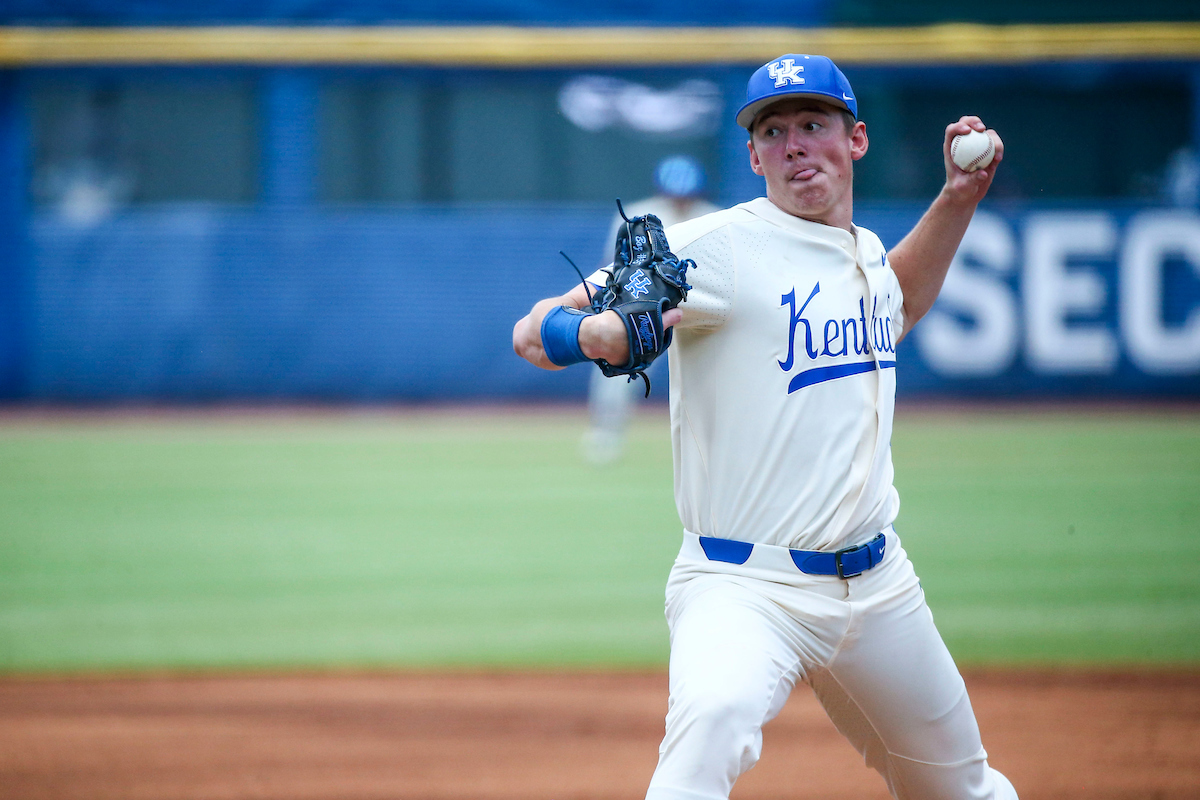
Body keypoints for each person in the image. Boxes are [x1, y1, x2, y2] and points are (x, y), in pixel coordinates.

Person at [513, 54, 1016, 800]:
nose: (794, 145)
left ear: (857, 140)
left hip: (880, 588)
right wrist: (593, 337)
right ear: (752, 156)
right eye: (773, 132)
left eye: (814, 124)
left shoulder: (866, 251)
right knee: (709, 728)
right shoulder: (711, 248)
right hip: (742, 586)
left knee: (965, 790)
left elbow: (897, 305)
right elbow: (532, 331)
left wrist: (958, 198)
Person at [584, 155, 720, 465]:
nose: (681, 200)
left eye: (686, 194)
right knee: (618, 369)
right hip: (643, 312)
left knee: (711, 376)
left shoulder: (713, 217)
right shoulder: (636, 216)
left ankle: (714, 443)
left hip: (699, 309)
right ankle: (605, 435)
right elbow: (613, 267)